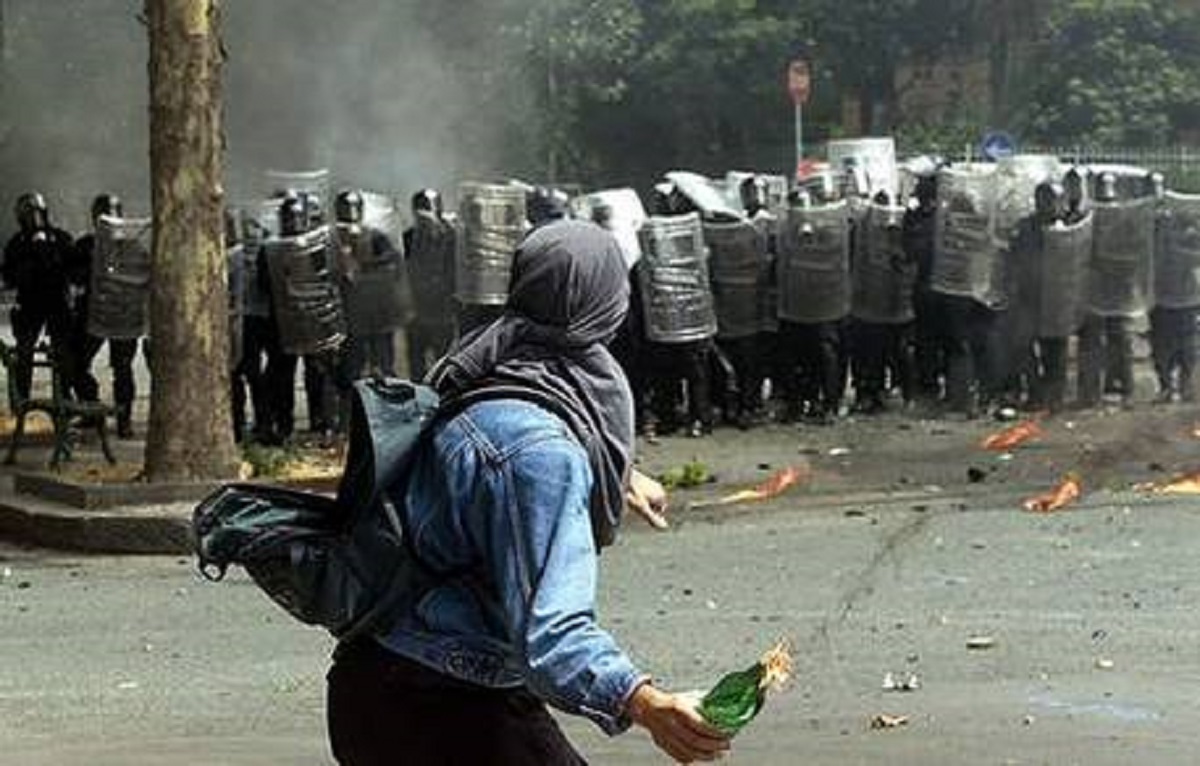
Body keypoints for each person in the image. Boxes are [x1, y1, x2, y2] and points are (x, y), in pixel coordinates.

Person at [325, 216, 731, 765]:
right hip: (438, 700)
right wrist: (646, 703)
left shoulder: (482, 368)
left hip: (385, 680)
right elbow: (553, 637)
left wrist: (617, 478)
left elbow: (480, 471)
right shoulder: (541, 452)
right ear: (606, 306)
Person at [67, 193, 146, 438]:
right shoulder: (85, 246)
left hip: (124, 314)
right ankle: (91, 409)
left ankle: (124, 419)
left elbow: (143, 276)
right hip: (94, 316)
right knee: (75, 363)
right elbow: (74, 276)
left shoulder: (133, 246)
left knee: (122, 368)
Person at [3, 193, 75, 404]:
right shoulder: (17, 243)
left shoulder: (60, 238)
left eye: (37, 213)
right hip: (30, 303)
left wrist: (49, 254)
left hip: (56, 302)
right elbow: (10, 276)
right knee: (24, 352)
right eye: (29, 214)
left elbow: (71, 268)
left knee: (63, 353)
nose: (34, 218)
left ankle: (64, 398)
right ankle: (21, 400)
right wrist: (28, 263)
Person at [402, 188, 457, 380]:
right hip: (417, 307)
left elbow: (456, 271)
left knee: (443, 361)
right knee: (416, 362)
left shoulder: (452, 236)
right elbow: (401, 271)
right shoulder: (409, 236)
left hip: (443, 308)